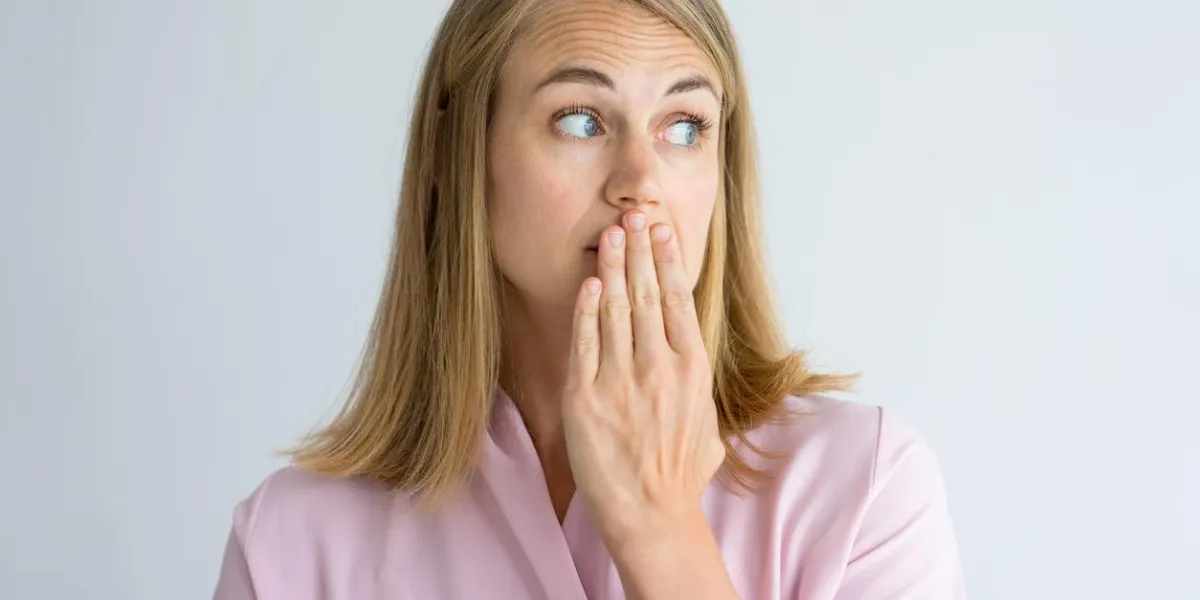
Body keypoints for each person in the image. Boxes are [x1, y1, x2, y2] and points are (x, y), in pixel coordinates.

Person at [212, 0, 965, 598]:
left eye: (683, 126)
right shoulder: (289, 543)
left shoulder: (865, 489)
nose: (639, 179)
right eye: (581, 120)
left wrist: (660, 530)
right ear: (454, 153)